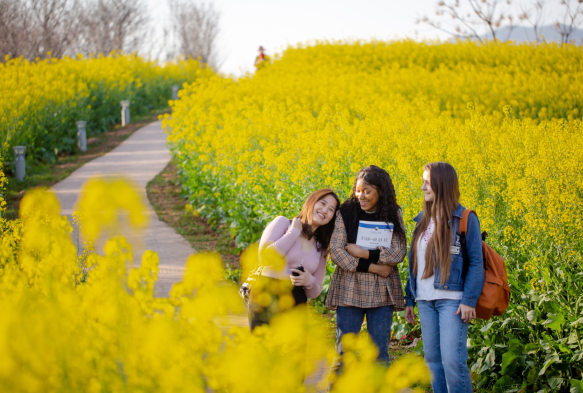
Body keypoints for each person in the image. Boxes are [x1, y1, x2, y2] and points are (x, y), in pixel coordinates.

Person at [404, 162, 485, 393]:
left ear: (442, 184)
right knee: (433, 361)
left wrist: (469, 299)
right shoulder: (422, 220)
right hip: (425, 300)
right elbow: (415, 264)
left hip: (453, 301)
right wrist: (410, 298)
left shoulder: (465, 218)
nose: (422, 187)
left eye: (427, 182)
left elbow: (476, 263)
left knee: (452, 362)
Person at [326, 165, 407, 372]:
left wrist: (363, 253)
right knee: (344, 354)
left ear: (381, 191)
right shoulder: (346, 211)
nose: (360, 196)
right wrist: (376, 267)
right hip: (349, 289)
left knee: (378, 355)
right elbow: (336, 250)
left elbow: (398, 252)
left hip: (381, 292)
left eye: (367, 191)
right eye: (358, 190)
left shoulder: (392, 212)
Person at [249, 188, 340, 330]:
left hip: (296, 301)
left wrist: (308, 280)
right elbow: (265, 259)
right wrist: (293, 233)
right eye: (322, 203)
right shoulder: (283, 223)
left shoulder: (321, 247)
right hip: (266, 294)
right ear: (312, 202)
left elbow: (315, 292)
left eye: (331, 209)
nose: (325, 210)